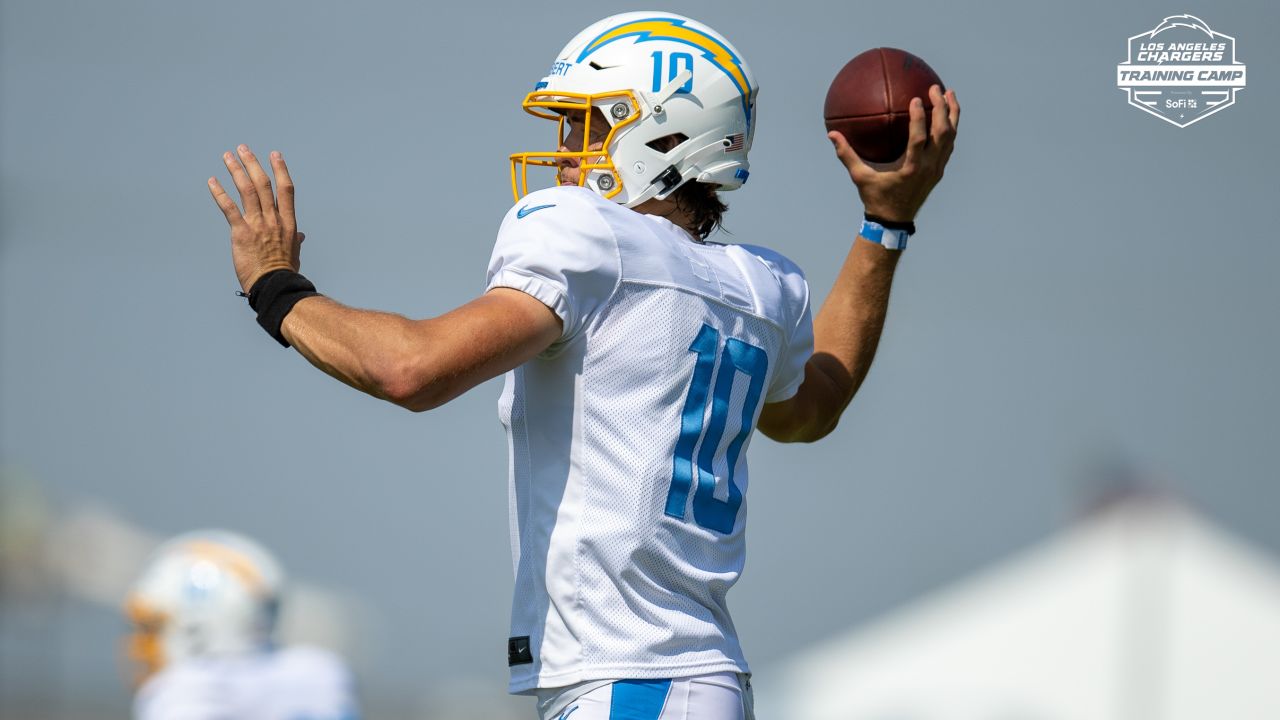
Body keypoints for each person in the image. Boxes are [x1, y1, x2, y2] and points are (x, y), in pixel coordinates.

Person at [207, 11, 958, 720]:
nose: (567, 149)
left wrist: (276, 289)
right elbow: (814, 407)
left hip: (636, 680)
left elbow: (411, 369)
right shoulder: (763, 285)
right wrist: (885, 226)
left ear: (665, 135)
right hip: (683, 677)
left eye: (589, 125)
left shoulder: (587, 236)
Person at [124, 530, 360, 720]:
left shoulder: (182, 691)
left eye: (151, 628)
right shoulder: (319, 670)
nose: (137, 645)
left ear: (198, 631)